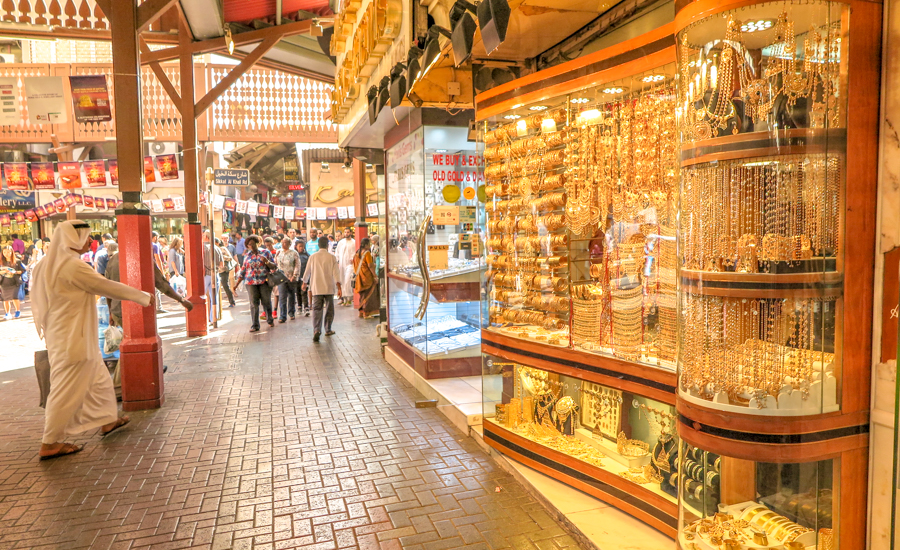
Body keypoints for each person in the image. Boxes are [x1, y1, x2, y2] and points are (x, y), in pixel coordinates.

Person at [31, 221, 153, 460]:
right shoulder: (71, 265)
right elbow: (105, 286)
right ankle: (50, 442)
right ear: (72, 238)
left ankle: (108, 420)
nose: (90, 241)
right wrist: (143, 297)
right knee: (65, 389)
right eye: (85, 236)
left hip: (63, 335)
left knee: (98, 378)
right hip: (73, 338)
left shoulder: (46, 263)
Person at [302, 236, 342, 343]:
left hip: (316, 287)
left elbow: (307, 271)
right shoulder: (332, 257)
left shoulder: (313, 257)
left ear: (318, 245)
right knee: (329, 309)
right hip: (329, 287)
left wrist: (304, 282)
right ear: (327, 245)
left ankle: (316, 330)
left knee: (317, 309)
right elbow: (336, 273)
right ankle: (328, 329)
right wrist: (339, 287)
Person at [233, 235, 275, 332]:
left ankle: (270, 320)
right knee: (253, 303)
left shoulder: (265, 252)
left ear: (257, 243)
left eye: (253, 244)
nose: (251, 246)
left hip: (264, 281)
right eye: (249, 245)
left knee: (266, 301)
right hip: (251, 282)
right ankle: (255, 325)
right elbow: (243, 270)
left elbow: (274, 266)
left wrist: (267, 262)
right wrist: (236, 284)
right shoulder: (247, 255)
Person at [275, 237, 301, 322]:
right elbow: (276, 263)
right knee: (282, 296)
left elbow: (297, 265)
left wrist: (294, 275)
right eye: (282, 243)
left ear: (290, 244)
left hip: (291, 277)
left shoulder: (294, 253)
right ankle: (282, 316)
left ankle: (291, 312)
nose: (284, 244)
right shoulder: (279, 252)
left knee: (291, 295)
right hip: (281, 278)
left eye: (285, 243)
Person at [353, 238, 380, 319]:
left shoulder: (357, 252)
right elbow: (370, 266)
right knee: (369, 295)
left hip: (359, 276)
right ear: (366, 245)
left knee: (362, 295)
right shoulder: (367, 253)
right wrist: (375, 276)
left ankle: (361, 312)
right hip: (367, 277)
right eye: (369, 244)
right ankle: (366, 313)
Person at [202, 231, 223, 323]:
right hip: (215, 274)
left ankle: (202, 317)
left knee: (201, 296)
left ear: (206, 237)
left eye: (203, 235)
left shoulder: (202, 247)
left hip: (205, 275)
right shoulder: (217, 248)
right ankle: (213, 317)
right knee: (214, 297)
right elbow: (221, 264)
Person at [0, 245, 24, 319]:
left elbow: (22, 271)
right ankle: (7, 313)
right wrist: (4, 271)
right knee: (5, 299)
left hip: (14, 282)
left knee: (14, 297)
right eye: (4, 252)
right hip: (4, 282)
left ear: (11, 252)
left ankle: (17, 311)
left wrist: (15, 272)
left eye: (8, 252)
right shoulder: (1, 262)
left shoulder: (17, 261)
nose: (6, 254)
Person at [334, 228, 355, 306]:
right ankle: (344, 299)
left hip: (350, 265)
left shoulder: (354, 242)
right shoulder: (341, 242)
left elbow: (356, 253)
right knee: (342, 281)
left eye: (348, 232)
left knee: (347, 281)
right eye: (345, 232)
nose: (346, 233)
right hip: (342, 264)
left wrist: (354, 259)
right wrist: (337, 262)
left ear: (351, 233)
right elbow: (337, 252)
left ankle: (349, 299)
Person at [216, 238, 236, 308]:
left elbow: (230, 258)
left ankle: (232, 302)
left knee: (225, 285)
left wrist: (221, 257)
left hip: (223, 270)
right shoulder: (214, 249)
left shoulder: (223, 249)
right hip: (216, 270)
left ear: (217, 243)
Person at [295, 238, 310, 316]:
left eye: (303, 246)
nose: (301, 248)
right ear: (296, 247)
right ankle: (299, 306)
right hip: (296, 276)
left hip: (304, 276)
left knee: (304, 291)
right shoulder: (294, 255)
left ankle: (306, 307)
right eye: (300, 246)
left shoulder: (307, 255)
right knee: (298, 292)